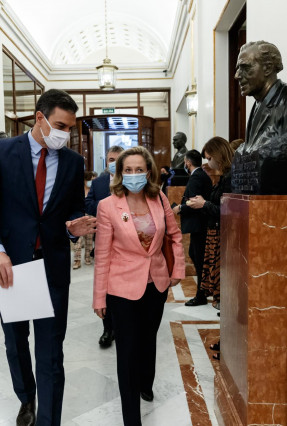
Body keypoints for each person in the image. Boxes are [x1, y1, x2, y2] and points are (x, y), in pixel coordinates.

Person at [0, 89, 96, 426]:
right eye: (59, 125)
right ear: (39, 118)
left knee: (52, 351)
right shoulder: (1, 151)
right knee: (16, 342)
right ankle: (26, 398)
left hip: (52, 265)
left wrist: (74, 227)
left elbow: (71, 210)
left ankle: (47, 420)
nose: (64, 134)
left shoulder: (73, 162)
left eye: (70, 128)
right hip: (13, 266)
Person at [93, 146, 184, 426]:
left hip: (156, 283)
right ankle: (131, 418)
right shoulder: (108, 206)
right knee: (127, 351)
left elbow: (174, 234)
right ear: (119, 174)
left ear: (148, 171)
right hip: (121, 288)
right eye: (128, 170)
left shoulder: (159, 200)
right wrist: (99, 297)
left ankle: (147, 381)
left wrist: (177, 268)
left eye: (139, 169)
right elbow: (103, 253)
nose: (134, 175)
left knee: (148, 340)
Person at [186, 137, 234, 360]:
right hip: (216, 235)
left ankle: (229, 343)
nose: (208, 161)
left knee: (226, 292)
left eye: (209, 157)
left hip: (224, 237)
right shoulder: (224, 176)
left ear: (218, 154)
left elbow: (229, 209)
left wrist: (203, 204)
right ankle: (227, 340)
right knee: (221, 290)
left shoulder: (231, 177)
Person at [234, 40, 287, 153]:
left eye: (245, 67)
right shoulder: (256, 107)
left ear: (267, 68)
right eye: (238, 68)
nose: (237, 75)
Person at [85, 145, 124, 348]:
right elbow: (88, 202)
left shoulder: (130, 180)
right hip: (103, 238)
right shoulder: (99, 182)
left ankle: (123, 325)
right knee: (105, 285)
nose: (113, 162)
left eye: (117, 158)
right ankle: (107, 329)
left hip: (126, 243)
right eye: (110, 158)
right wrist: (105, 208)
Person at [172, 149, 213, 306]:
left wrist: (180, 208)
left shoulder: (196, 176)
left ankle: (201, 294)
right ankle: (203, 291)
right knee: (196, 255)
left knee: (199, 258)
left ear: (187, 162)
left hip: (199, 224)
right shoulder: (201, 175)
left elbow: (195, 202)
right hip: (201, 223)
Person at [72, 170, 97, 269]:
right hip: (80, 216)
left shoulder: (93, 190)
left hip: (91, 216)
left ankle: (87, 257)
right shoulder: (78, 190)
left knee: (89, 239)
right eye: (90, 179)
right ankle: (77, 260)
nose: (92, 181)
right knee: (78, 240)